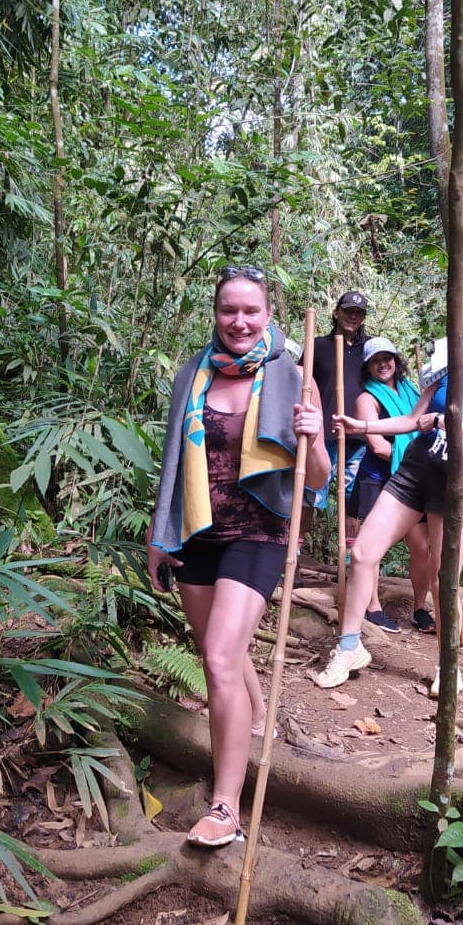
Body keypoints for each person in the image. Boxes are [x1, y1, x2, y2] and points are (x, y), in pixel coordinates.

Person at [146, 265, 329, 848]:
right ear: (216, 314)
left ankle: (225, 806)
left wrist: (314, 433)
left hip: (259, 535)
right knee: (214, 652)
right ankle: (256, 724)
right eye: (230, 310)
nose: (240, 321)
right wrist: (159, 535)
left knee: (222, 657)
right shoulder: (192, 376)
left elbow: (318, 480)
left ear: (268, 315)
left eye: (251, 311)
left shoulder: (293, 378)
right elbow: (173, 464)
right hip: (197, 531)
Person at [314, 293, 463, 696]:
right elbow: (413, 420)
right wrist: (361, 426)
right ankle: (349, 647)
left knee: (443, 578)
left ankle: (448, 665)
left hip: (457, 479)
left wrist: (449, 422)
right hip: (416, 468)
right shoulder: (451, 364)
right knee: (363, 553)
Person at [349, 336, 433, 635]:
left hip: (414, 478)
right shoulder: (366, 399)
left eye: (388, 358)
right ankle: (372, 607)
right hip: (379, 477)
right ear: (368, 367)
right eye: (376, 360)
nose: (383, 364)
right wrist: (414, 460)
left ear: (396, 361)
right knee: (372, 547)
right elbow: (377, 445)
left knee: (422, 547)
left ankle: (420, 607)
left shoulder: (412, 390)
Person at [301, 290, 370, 523]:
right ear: (336, 312)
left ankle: (350, 554)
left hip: (359, 433)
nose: (353, 316)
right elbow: (302, 381)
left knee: (355, 493)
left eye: (358, 313)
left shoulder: (371, 350)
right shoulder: (318, 346)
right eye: (348, 311)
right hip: (324, 431)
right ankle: (297, 549)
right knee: (313, 487)